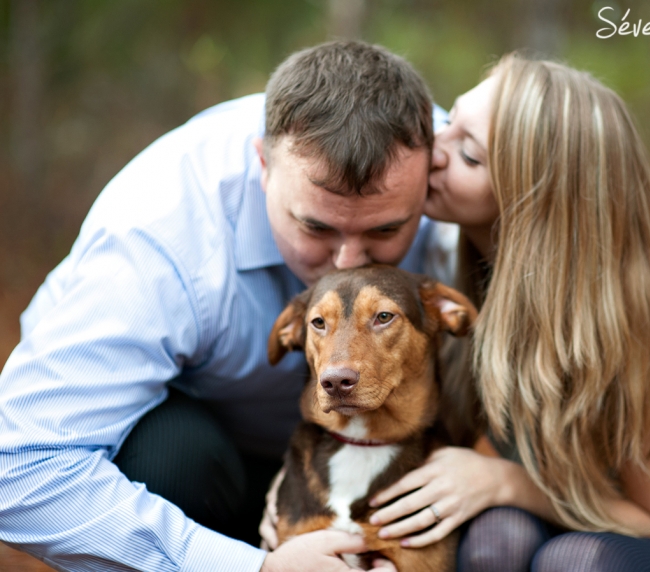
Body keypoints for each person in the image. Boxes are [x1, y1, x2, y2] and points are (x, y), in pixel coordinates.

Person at [0, 40, 447, 572]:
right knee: (174, 458)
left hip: (382, 459)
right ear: (262, 163)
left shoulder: (463, 170)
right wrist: (247, 568)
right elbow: (20, 466)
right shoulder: (162, 233)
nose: (346, 265)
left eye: (386, 228)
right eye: (315, 226)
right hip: (201, 467)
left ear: (431, 175)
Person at [366, 54, 650, 572]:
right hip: (544, 520)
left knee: (572, 565)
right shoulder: (439, 254)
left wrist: (505, 482)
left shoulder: (628, 323)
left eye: (468, 155)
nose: (433, 154)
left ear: (532, 205)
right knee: (496, 541)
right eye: (447, 125)